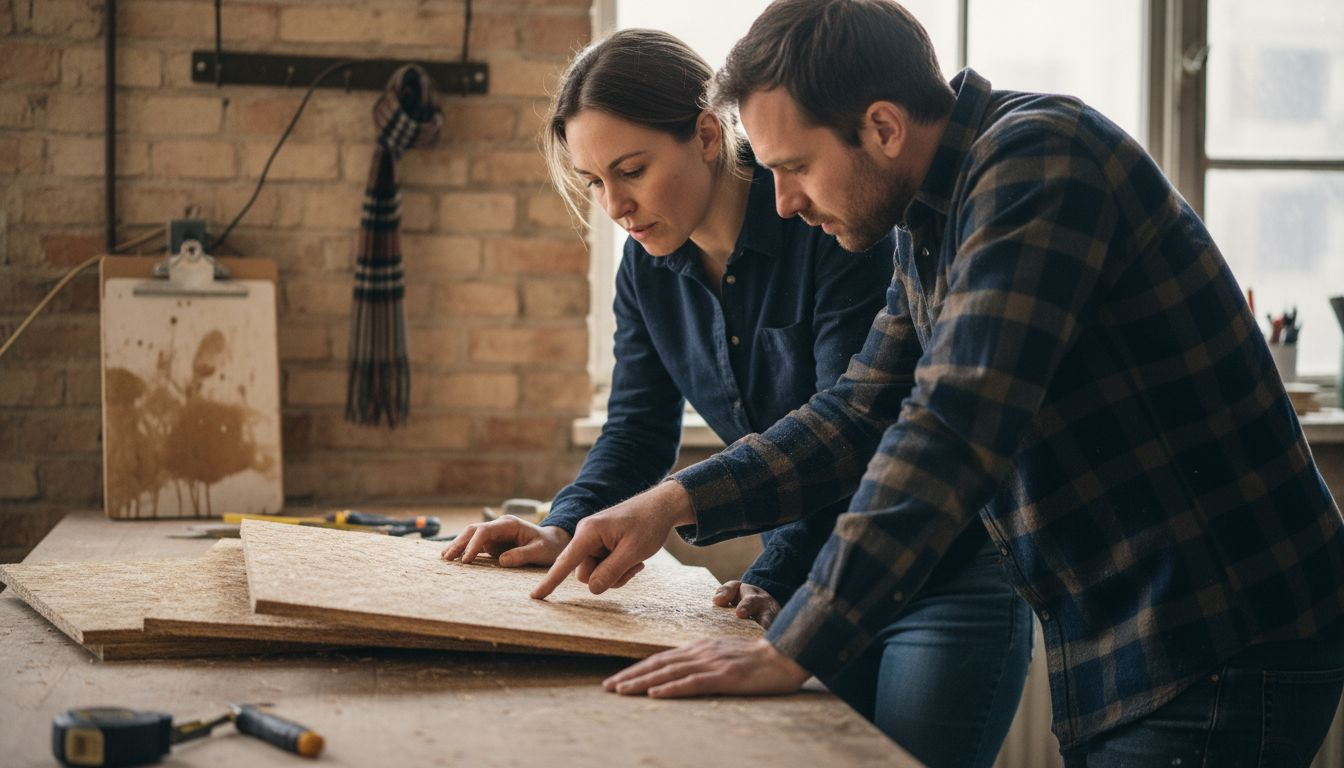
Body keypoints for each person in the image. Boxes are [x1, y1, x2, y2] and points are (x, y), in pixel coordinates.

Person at [530, 2, 1344, 766]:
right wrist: (671, 502)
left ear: (883, 127)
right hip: (1145, 643)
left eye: (797, 166)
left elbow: (950, 429)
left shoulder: (1039, 162)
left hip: (1224, 630)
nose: (783, 202)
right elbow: (858, 414)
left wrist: (793, 645)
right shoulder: (928, 222)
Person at [443, 28, 1033, 768]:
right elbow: (636, 432)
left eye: (632, 170)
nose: (616, 205)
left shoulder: (836, 218)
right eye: (594, 182)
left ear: (705, 136)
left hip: (938, 573)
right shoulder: (646, 268)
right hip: (814, 579)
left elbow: (856, 436)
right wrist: (564, 527)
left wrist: (770, 570)